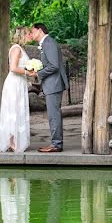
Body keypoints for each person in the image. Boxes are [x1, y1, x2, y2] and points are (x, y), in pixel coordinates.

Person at [30, 23, 69, 152]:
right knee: (53, 115)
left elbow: (54, 66)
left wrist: (38, 73)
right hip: (51, 84)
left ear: (40, 30)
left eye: (33, 31)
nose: (31, 33)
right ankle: (55, 142)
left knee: (54, 115)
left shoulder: (48, 43)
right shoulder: (46, 43)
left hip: (54, 84)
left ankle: (56, 144)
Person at [0, 27, 36, 153]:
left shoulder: (20, 49)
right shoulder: (16, 49)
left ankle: (15, 141)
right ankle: (12, 143)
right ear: (22, 35)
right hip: (14, 83)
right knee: (13, 111)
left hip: (20, 83)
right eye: (28, 34)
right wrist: (28, 72)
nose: (30, 36)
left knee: (18, 110)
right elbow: (13, 68)